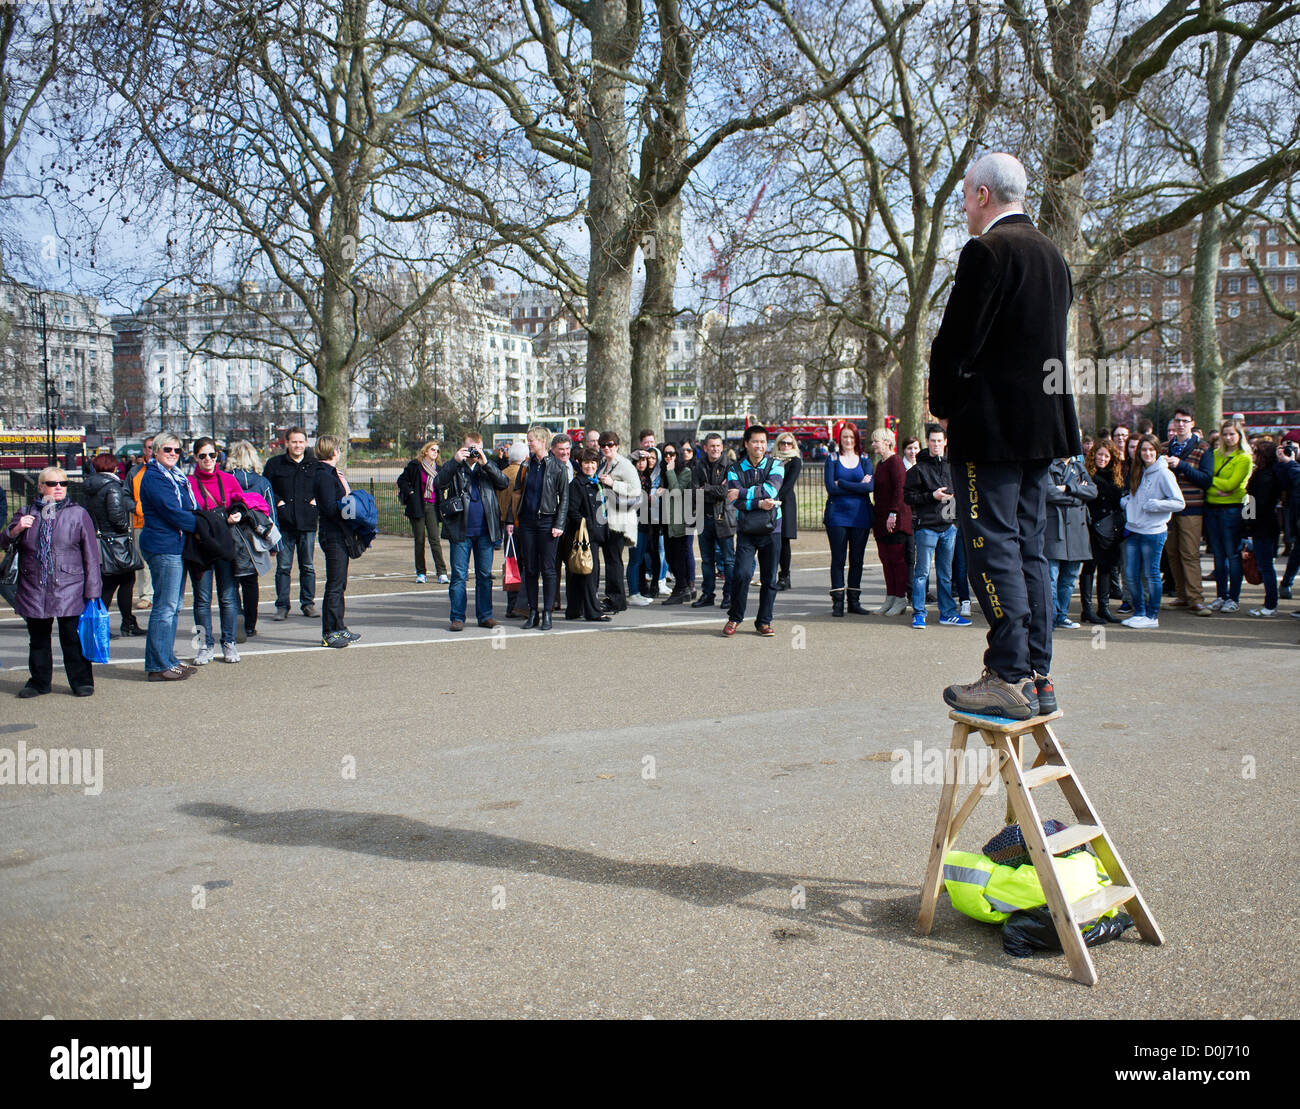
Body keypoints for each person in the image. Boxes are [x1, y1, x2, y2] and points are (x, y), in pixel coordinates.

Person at [928, 151, 1078, 718]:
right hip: (1041, 426)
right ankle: (1038, 674)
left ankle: (1008, 673)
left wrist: (943, 406)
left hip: (990, 427)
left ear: (984, 195)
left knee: (991, 546)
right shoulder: (1053, 256)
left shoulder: (988, 250)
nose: (964, 208)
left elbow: (955, 344)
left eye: (966, 196)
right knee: (1030, 547)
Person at [1, 466, 102, 697]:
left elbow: (91, 555)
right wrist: (17, 528)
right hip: (34, 585)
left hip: (69, 585)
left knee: (71, 637)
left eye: (63, 484)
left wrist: (93, 590)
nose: (58, 488)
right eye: (52, 483)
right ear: (40, 486)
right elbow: (3, 541)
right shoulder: (27, 512)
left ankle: (81, 681)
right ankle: (39, 682)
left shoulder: (78, 513)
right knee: (37, 640)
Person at [136, 431, 199, 681]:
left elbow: (188, 507)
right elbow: (172, 512)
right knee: (165, 607)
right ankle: (157, 664)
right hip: (163, 545)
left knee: (173, 607)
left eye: (176, 450)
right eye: (167, 450)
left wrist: (196, 519)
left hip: (175, 544)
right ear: (156, 451)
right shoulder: (154, 477)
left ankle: (168, 659)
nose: (172, 454)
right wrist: (203, 525)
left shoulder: (176, 476)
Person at [438, 431, 509, 631]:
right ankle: (457, 617)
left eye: (476, 448)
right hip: (461, 530)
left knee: (484, 575)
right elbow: (438, 484)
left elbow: (503, 483)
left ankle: (485, 615)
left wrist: (485, 462)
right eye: (469, 448)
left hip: (485, 530)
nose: (472, 452)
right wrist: (454, 462)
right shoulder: (455, 468)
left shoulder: (487, 466)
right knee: (459, 576)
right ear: (462, 447)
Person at [188, 437, 246, 664]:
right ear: (195, 458)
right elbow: (185, 510)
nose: (208, 460)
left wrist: (238, 513)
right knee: (202, 600)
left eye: (212, 455)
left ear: (218, 456)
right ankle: (204, 645)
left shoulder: (228, 479)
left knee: (228, 597)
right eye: (202, 456)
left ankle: (229, 643)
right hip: (200, 547)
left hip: (223, 545)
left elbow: (241, 502)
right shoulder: (189, 482)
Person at [722, 424, 784, 637]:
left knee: (770, 579)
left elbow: (771, 489)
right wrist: (758, 503)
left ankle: (764, 621)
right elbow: (735, 502)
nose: (759, 446)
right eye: (755, 441)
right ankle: (735, 617)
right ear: (746, 444)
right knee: (742, 574)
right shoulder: (734, 468)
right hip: (747, 530)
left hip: (772, 529)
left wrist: (741, 492)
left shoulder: (777, 464)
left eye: (763, 442)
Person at [506, 424, 569, 630]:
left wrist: (559, 524)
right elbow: (516, 494)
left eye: (531, 440)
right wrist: (511, 520)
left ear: (542, 441)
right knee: (531, 569)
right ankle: (532, 612)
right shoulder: (526, 466)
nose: (529, 443)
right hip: (527, 522)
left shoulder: (558, 467)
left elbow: (564, 499)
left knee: (549, 570)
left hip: (547, 522)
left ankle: (548, 613)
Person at [904, 424, 965, 629]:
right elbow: (908, 497)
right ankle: (919, 613)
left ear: (945, 442)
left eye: (940, 441)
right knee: (922, 573)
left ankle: (947, 613)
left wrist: (955, 519)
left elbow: (961, 492)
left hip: (949, 527)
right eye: (932, 441)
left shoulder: (952, 467)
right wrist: (932, 496)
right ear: (927, 442)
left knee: (945, 573)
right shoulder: (917, 470)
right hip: (927, 527)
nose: (936, 444)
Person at [1121, 434, 1184, 628]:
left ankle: (1151, 616)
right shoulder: (1137, 470)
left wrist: (1157, 505)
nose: (1147, 453)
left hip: (1153, 532)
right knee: (1131, 574)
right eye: (1143, 450)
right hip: (1133, 529)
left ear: (1157, 451)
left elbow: (1179, 503)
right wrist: (1126, 503)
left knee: (1151, 574)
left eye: (1151, 449)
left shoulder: (1164, 473)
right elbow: (1134, 497)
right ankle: (1139, 612)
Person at [83, 452, 142, 638]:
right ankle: (120, 624)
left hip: (98, 538)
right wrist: (126, 528)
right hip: (116, 539)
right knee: (123, 581)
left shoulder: (89, 486)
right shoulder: (112, 487)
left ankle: (123, 622)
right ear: (114, 467)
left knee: (109, 582)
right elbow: (116, 515)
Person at [1162, 408, 1214, 614]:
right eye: (1177, 421)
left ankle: (1196, 598)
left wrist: (1181, 465)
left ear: (1192, 423)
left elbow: (1206, 479)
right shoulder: (1165, 447)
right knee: (1172, 553)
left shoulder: (1203, 448)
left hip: (1191, 507)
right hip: (1168, 508)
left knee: (1189, 553)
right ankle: (1181, 595)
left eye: (1185, 421)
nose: (1180, 424)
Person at [264, 427, 318, 621]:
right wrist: (278, 502)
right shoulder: (275, 464)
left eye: (301, 442)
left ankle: (308, 603)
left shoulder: (314, 464)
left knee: (308, 566)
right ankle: (282, 605)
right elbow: (266, 489)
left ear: (306, 443)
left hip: (307, 523)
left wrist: (316, 501)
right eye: (294, 442)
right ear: (286, 443)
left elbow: (323, 486)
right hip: (284, 525)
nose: (297, 445)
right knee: (283, 567)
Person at [226, 439, 277, 642]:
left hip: (230, 535)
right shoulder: (262, 482)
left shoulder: (226, 480)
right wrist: (275, 543)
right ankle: (250, 624)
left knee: (231, 582)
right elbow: (272, 513)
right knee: (250, 583)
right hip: (255, 537)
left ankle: (236, 618)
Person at [824, 421, 874, 616]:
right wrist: (857, 486)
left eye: (851, 437)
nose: (848, 440)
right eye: (845, 436)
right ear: (839, 438)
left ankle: (854, 601)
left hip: (860, 516)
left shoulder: (865, 459)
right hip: (837, 515)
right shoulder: (832, 459)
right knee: (838, 559)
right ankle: (837, 603)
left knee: (857, 559)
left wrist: (843, 482)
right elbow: (831, 488)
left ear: (856, 439)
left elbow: (869, 487)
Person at [312, 435, 355, 648]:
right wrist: (347, 506)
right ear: (333, 451)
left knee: (340, 583)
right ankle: (330, 631)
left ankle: (339, 626)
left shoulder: (330, 474)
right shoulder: (324, 476)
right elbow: (329, 507)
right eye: (338, 448)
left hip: (340, 532)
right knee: (335, 584)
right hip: (333, 534)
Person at [1044, 454, 1096, 630]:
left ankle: (1062, 616)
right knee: (1051, 577)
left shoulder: (1079, 467)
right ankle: (1049, 618)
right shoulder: (1048, 467)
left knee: (1069, 578)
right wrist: (1077, 496)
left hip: (1076, 531)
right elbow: (1048, 492)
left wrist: (1066, 488)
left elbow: (1093, 491)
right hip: (1054, 529)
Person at [1204, 419, 1251, 614]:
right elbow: (1205, 479)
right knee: (1218, 555)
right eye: (1225, 434)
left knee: (1232, 554)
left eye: (1232, 434)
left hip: (1232, 510)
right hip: (1212, 508)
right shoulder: (1214, 454)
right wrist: (1216, 485)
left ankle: (1233, 597)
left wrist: (1212, 482)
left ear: (1239, 435)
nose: (1228, 437)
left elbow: (1233, 485)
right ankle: (1221, 595)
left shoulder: (1244, 458)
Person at [1080, 440, 1124, 624]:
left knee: (1107, 567)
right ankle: (1087, 609)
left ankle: (1104, 608)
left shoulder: (1116, 477)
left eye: (1107, 456)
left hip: (1110, 527)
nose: (1103, 459)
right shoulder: (1086, 474)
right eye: (1100, 454)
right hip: (1091, 526)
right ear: (1093, 455)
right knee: (1089, 567)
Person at [565, 447, 612, 622]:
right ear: (580, 463)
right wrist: (589, 526)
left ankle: (574, 610)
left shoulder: (595, 483)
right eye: (586, 462)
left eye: (593, 462)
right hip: (584, 536)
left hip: (595, 535)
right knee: (588, 574)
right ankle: (593, 611)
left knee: (580, 573)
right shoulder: (577, 484)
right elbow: (573, 511)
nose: (590, 466)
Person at [869, 427, 912, 616]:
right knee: (886, 560)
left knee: (897, 560)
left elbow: (900, 489)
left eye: (875, 441)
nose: (873, 444)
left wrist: (893, 513)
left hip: (895, 519)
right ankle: (890, 597)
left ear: (887, 442)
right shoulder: (881, 464)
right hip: (880, 519)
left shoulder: (895, 462)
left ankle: (900, 598)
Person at [397, 441, 450, 585]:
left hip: (432, 506)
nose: (435, 453)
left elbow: (444, 483)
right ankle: (421, 572)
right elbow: (401, 480)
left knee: (435, 540)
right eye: (433, 449)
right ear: (425, 451)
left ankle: (442, 572)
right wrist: (411, 492)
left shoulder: (439, 469)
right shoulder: (415, 466)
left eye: (437, 451)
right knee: (419, 540)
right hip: (418, 506)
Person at [692, 433, 735, 610]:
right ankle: (708, 594)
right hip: (704, 518)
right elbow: (694, 492)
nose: (715, 449)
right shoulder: (698, 465)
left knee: (728, 560)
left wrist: (707, 488)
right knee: (707, 560)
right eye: (712, 446)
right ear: (705, 448)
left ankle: (729, 595)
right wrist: (714, 490)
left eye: (718, 445)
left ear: (722, 447)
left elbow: (727, 491)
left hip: (724, 517)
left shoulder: (730, 466)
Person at [1244, 439, 1282, 617]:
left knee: (1266, 566)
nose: (1253, 455)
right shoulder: (1270, 473)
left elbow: (1255, 503)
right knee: (1266, 565)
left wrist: (1248, 523)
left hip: (1262, 525)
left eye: (1256, 452)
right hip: (1267, 524)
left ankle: (1270, 604)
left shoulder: (1263, 476)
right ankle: (1270, 602)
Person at [660, 442, 695, 603]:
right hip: (666, 521)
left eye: (672, 454)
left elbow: (675, 491)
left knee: (678, 557)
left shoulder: (685, 471)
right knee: (670, 557)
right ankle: (683, 587)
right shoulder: (664, 471)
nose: (668, 457)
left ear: (678, 455)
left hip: (680, 521)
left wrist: (670, 471)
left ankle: (682, 588)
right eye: (666, 454)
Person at [498, 441, 529, 618]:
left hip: (505, 523)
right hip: (520, 523)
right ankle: (521, 603)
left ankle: (511, 604)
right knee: (524, 566)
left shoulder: (502, 474)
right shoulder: (524, 474)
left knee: (511, 566)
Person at [126, 434, 155, 611]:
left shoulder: (171, 470)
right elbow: (125, 496)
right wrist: (137, 508)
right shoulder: (135, 472)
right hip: (141, 523)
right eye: (149, 447)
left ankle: (160, 593)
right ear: (144, 450)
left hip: (164, 524)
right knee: (143, 563)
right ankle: (146, 595)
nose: (152, 451)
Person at [773, 432, 801, 591]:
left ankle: (785, 576)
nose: (785, 446)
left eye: (789, 443)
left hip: (785, 502)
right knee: (772, 540)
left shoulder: (795, 460)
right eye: (782, 443)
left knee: (784, 540)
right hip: (772, 501)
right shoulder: (772, 460)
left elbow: (789, 483)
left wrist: (774, 497)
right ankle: (772, 574)